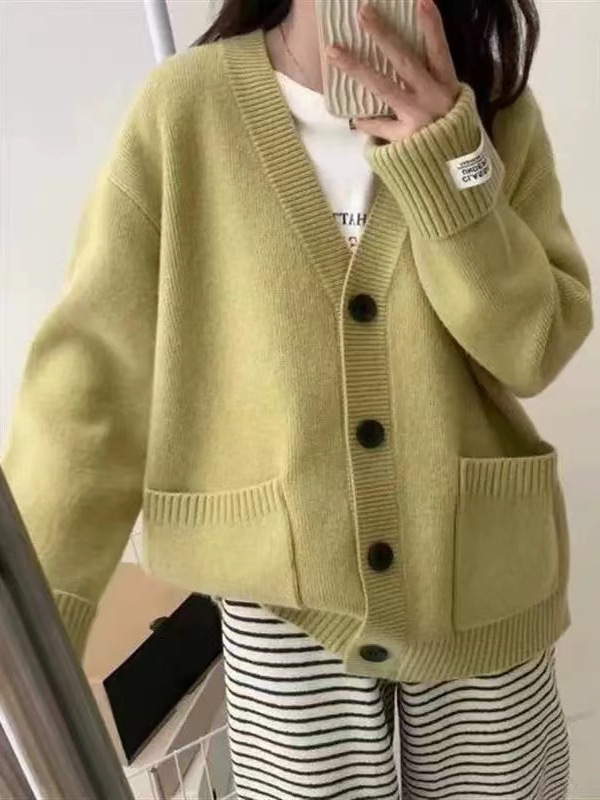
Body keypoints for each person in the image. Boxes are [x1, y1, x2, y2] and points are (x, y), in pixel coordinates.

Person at [1, 0, 594, 797]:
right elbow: (90, 386)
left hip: (482, 584)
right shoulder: (187, 112)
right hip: (282, 605)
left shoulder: (492, 108)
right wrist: (30, 632)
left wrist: (448, 160)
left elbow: (536, 348)